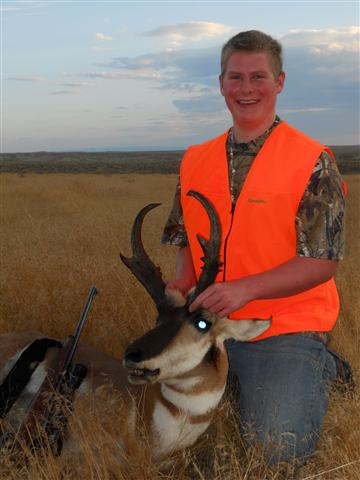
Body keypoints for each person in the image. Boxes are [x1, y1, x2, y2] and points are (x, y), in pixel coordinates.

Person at [161, 30, 346, 467]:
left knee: (276, 451)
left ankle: (321, 365)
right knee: (150, 424)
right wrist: (182, 283)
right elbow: (185, 237)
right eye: (236, 77)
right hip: (207, 323)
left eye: (258, 77)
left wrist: (244, 290)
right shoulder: (194, 160)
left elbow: (320, 262)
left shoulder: (312, 160)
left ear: (279, 82)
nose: (247, 90)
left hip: (282, 327)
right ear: (221, 82)